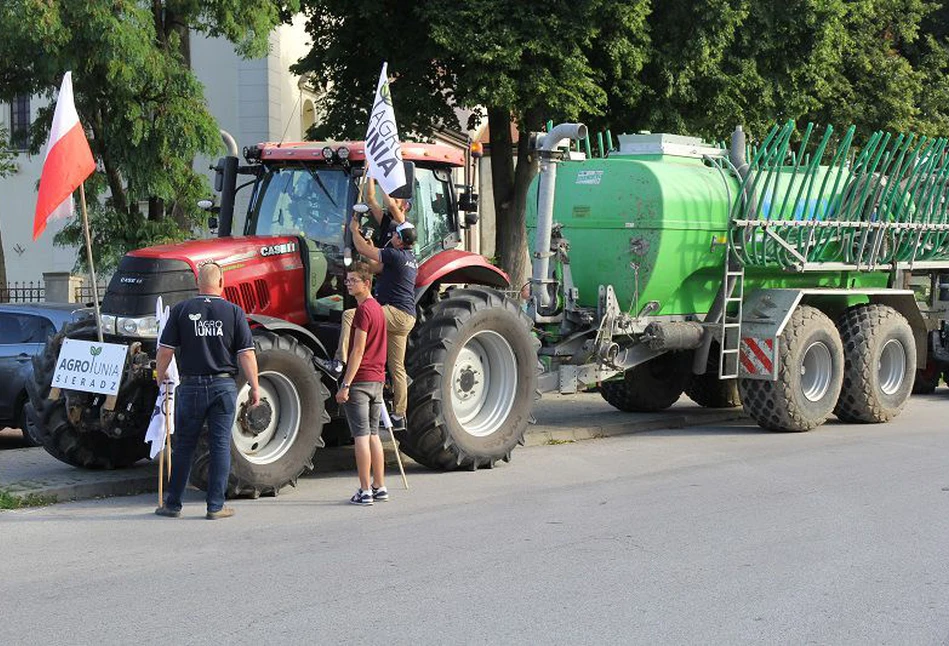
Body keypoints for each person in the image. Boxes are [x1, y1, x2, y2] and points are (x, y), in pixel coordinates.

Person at [154, 261, 260, 520]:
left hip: (190, 387)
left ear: (197, 283)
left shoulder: (181, 310)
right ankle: (215, 506)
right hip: (223, 386)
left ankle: (172, 505)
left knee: (184, 446)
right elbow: (246, 354)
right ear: (221, 283)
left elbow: (165, 351)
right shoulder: (234, 312)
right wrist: (255, 387)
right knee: (220, 444)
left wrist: (160, 377)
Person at [337, 207, 418, 430]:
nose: (391, 235)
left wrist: (354, 231)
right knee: (397, 368)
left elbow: (363, 249)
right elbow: (374, 265)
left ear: (401, 241)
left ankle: (339, 362)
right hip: (406, 318)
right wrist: (366, 244)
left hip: (396, 313)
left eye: (395, 235)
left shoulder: (394, 254)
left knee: (351, 315)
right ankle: (400, 415)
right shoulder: (408, 257)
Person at [335, 262, 389, 505]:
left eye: (353, 280)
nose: (348, 284)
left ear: (367, 283)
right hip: (377, 379)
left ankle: (365, 489)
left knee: (361, 435)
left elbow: (357, 350)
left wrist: (345, 384)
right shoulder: (378, 309)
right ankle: (380, 486)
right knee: (374, 435)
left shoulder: (363, 311)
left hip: (361, 380)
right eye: (347, 280)